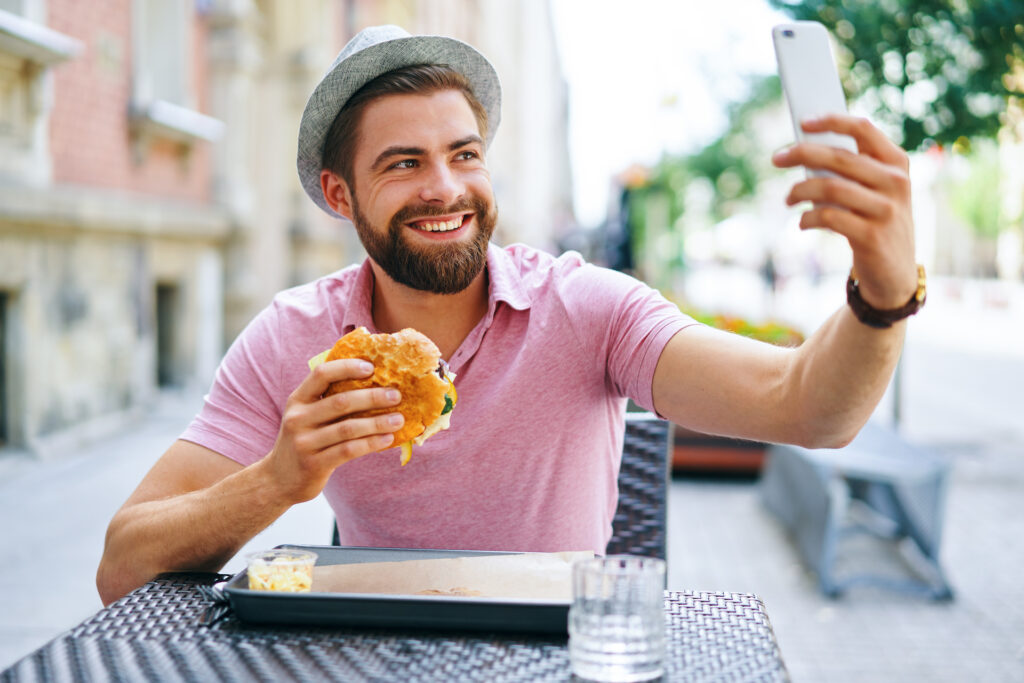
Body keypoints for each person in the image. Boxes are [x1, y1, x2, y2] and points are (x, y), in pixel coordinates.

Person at [96, 25, 925, 604]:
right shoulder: (296, 335)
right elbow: (121, 567)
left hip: (557, 653)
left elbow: (808, 408)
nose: (446, 189)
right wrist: (280, 478)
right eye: (404, 163)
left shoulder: (587, 308)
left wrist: (883, 290)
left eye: (464, 155)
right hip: (371, 651)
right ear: (341, 195)